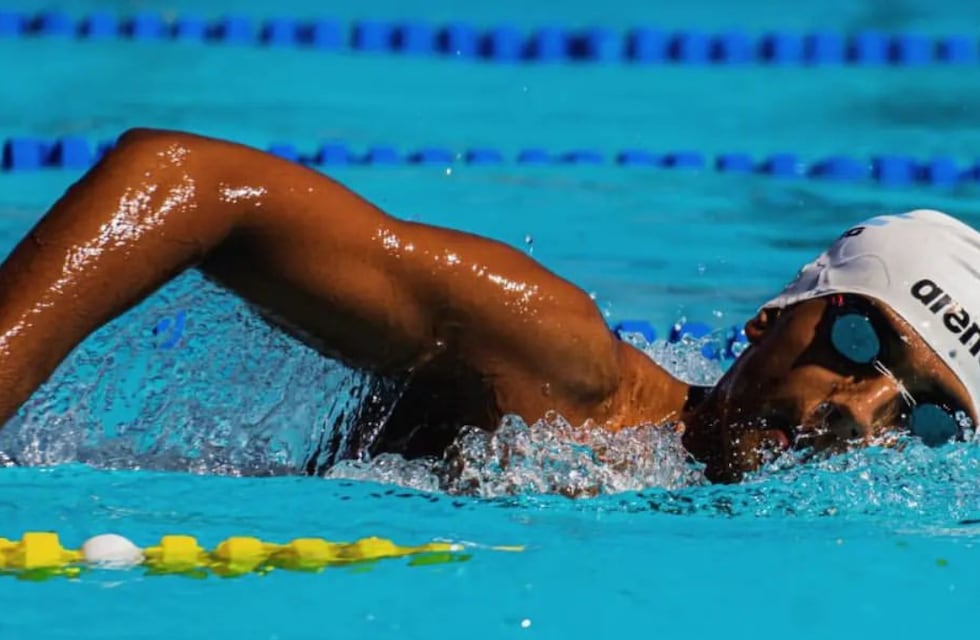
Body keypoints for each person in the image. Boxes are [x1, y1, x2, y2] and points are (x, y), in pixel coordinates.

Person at [0, 128, 976, 484]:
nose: (861, 414)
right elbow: (188, 180)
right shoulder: (561, 373)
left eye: (925, 418)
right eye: (860, 341)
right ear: (772, 316)